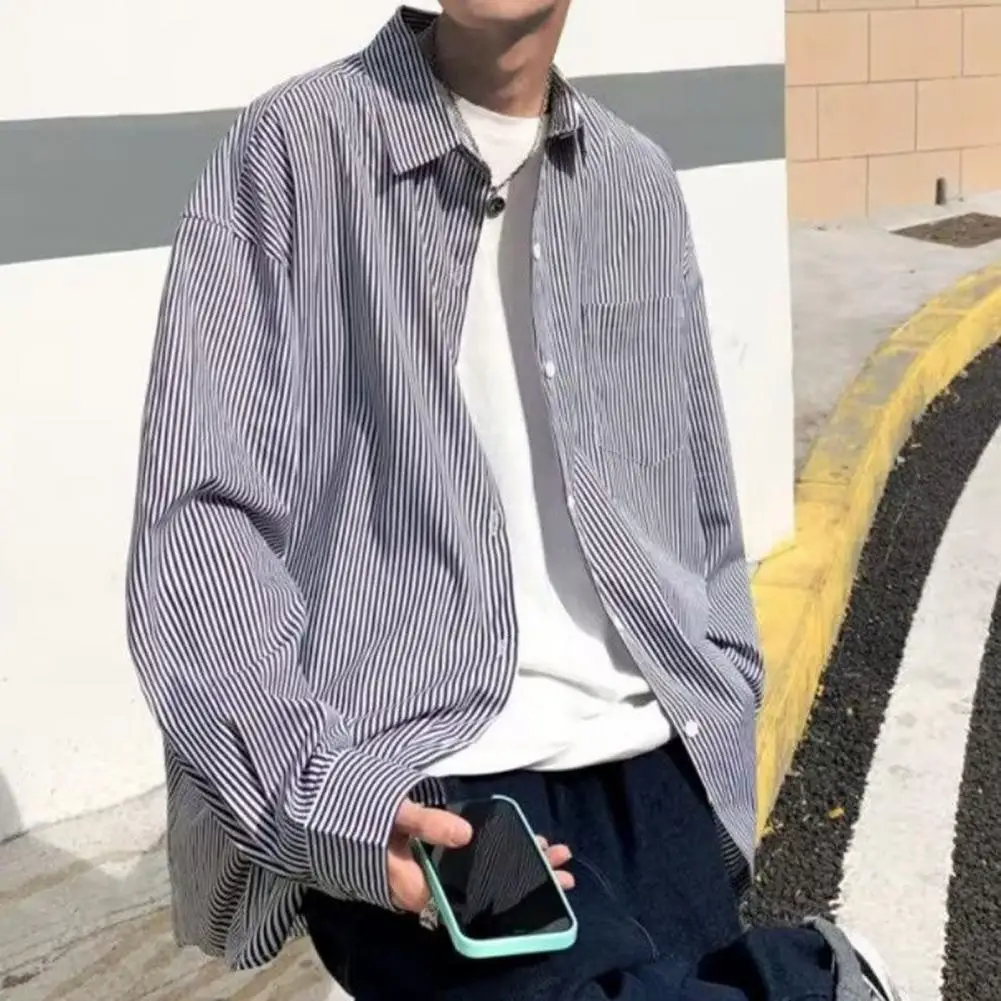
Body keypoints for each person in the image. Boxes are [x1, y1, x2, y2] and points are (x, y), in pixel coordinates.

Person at [125, 3, 907, 999]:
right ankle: (811, 979)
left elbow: (697, 494)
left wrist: (719, 692)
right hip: (424, 768)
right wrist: (322, 796)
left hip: (650, 763)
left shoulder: (635, 184)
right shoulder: (292, 152)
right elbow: (198, 524)